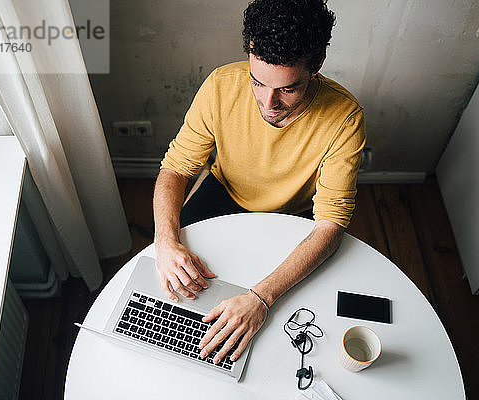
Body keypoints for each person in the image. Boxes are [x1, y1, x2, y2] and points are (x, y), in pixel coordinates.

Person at [153, 0, 365, 366]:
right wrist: (165, 240)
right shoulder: (221, 85)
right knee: (170, 297)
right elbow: (176, 168)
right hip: (223, 193)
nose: (269, 103)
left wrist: (261, 299)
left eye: (288, 89)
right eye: (257, 82)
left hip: (292, 211)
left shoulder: (344, 117)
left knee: (285, 322)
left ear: (316, 66)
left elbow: (331, 223)